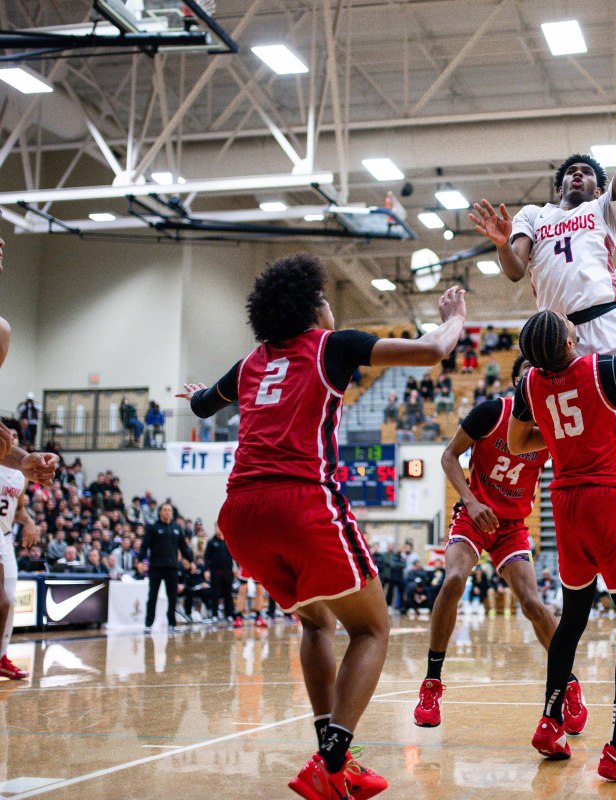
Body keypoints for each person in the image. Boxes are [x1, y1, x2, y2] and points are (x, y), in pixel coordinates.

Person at [180, 253, 467, 799]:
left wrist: (195, 393)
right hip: (301, 501)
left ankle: (334, 760)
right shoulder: (331, 346)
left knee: (315, 624)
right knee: (373, 628)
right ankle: (333, 760)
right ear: (315, 307)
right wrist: (454, 316)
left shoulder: (250, 363)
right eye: (327, 299)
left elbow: (199, 407)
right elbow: (431, 350)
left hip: (240, 511)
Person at [468, 45, 616, 518]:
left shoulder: (603, 212)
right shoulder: (535, 216)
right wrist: (499, 243)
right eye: (571, 173)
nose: (579, 176)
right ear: (561, 186)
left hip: (606, 326)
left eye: (587, 174)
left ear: (598, 188)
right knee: (584, 438)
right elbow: (516, 270)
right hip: (557, 340)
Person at [507, 311, 616, 782]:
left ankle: (549, 720)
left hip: (564, 502)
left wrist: (566, 444)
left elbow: (517, 439)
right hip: (609, 497)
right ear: (568, 338)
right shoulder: (605, 368)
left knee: (574, 617)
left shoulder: (528, 386)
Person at [415, 355, 588, 732]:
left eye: (542, 371)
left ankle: (570, 684)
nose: (535, 377)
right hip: (474, 516)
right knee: (454, 580)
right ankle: (431, 683)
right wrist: (472, 501)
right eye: (528, 372)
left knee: (534, 604)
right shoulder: (491, 412)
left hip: (512, 526)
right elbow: (448, 456)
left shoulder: (553, 427)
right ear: (516, 381)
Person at [139, 502, 190, 632]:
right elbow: (144, 546)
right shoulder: (153, 528)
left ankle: (171, 624)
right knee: (153, 596)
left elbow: (184, 547)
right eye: (165, 510)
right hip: (156, 567)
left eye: (169, 510)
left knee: (172, 597)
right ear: (160, 512)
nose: (167, 512)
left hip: (172, 568)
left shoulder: (177, 528)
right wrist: (140, 560)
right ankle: (148, 624)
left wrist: (190, 560)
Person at [0, 467, 30, 680]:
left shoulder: (21, 477)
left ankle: (2, 657)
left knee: (9, 600)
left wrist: (28, 520)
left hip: (6, 538)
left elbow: (18, 509)